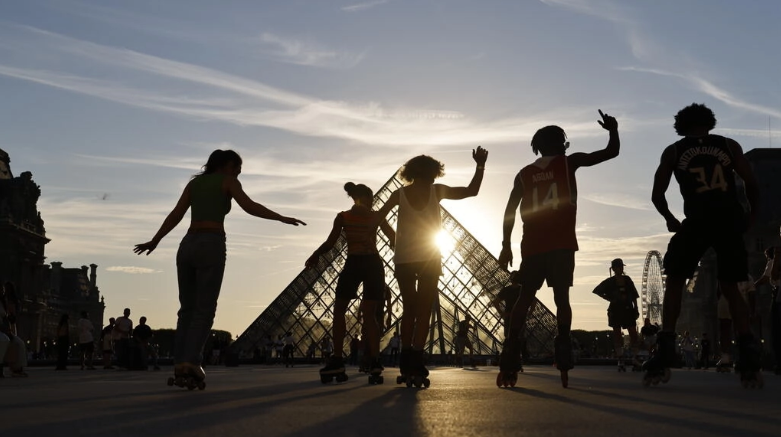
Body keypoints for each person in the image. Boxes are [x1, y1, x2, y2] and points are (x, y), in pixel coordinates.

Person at [134, 149, 305, 385]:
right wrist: (281, 217)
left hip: (187, 245)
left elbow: (176, 214)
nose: (239, 173)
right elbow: (250, 206)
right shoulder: (229, 182)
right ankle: (192, 363)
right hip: (211, 243)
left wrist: (155, 240)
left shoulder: (195, 184)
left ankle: (180, 364)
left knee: (186, 309)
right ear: (226, 165)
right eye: (237, 168)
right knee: (205, 309)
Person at [499, 110, 620, 388]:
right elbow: (611, 152)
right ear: (562, 143)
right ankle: (563, 347)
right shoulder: (570, 163)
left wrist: (505, 245)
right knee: (562, 298)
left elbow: (509, 211)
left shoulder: (523, 174)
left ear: (536, 146)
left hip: (531, 245)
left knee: (523, 298)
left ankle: (510, 349)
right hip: (562, 244)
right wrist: (612, 129)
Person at [649, 103, 761, 386]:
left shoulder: (674, 151)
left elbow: (657, 195)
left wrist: (670, 219)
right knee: (731, 286)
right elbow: (751, 183)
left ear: (681, 125)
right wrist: (752, 214)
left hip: (697, 220)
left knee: (674, 278)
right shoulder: (729, 146)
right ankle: (748, 351)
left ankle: (665, 344)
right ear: (709, 123)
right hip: (728, 220)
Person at [376, 147, 488, 385]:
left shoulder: (399, 193)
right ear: (435, 173)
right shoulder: (437, 191)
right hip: (429, 256)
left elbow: (378, 217)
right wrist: (480, 165)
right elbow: (472, 191)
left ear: (411, 172)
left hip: (404, 257)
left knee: (409, 309)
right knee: (425, 308)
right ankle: (417, 356)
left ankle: (406, 357)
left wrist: (392, 235)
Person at [306, 182, 395, 382]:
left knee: (339, 310)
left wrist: (315, 255)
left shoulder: (343, 217)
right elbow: (393, 237)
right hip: (373, 264)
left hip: (353, 262)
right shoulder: (376, 216)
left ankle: (337, 359)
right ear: (368, 198)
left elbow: (330, 243)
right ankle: (374, 360)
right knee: (370, 315)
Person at [592, 258, 640, 372]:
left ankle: (634, 358)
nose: (620, 269)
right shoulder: (610, 281)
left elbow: (634, 295)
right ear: (613, 269)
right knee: (618, 335)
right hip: (617, 309)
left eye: (621, 267)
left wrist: (636, 308)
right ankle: (621, 359)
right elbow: (597, 290)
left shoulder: (627, 280)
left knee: (633, 334)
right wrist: (609, 299)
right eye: (618, 267)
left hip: (627, 308)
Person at [715, 277, 755, 372]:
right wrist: (752, 312)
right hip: (741, 302)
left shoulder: (725, 275)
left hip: (725, 301)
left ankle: (725, 358)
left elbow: (718, 291)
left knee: (725, 331)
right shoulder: (748, 277)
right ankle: (741, 358)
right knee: (740, 330)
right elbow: (752, 294)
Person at [754, 245, 780, 374]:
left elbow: (766, 278)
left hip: (778, 294)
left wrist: (752, 286)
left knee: (775, 327)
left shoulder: (772, 262)